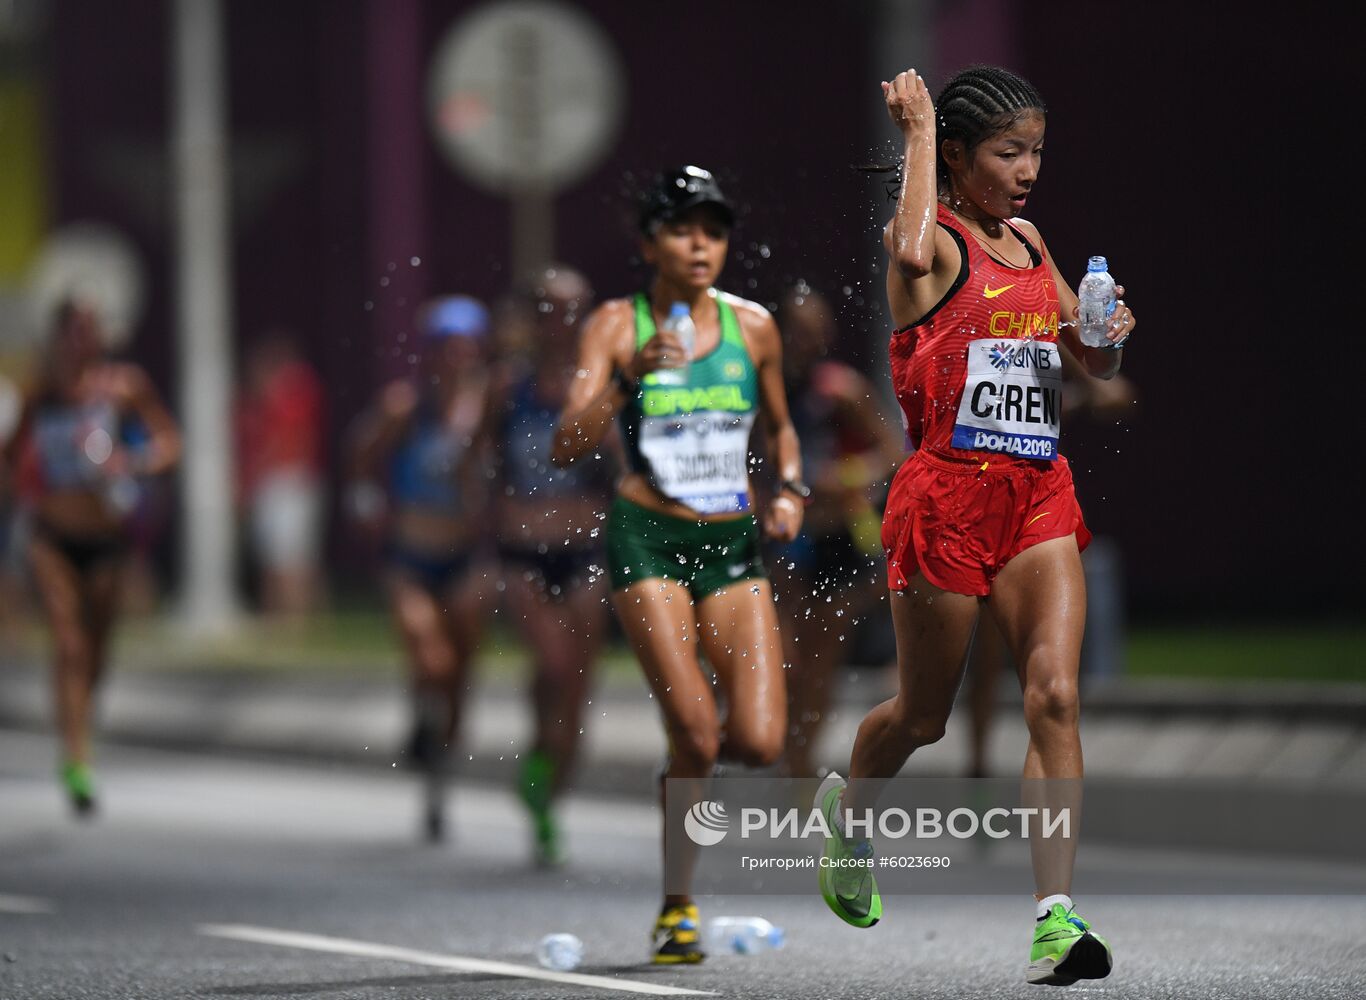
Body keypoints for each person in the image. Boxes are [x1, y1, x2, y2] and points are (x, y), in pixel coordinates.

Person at [815, 67, 1136, 987]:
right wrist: (915, 134)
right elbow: (911, 259)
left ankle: (1055, 922)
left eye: (1036, 150)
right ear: (955, 155)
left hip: (1036, 494)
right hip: (945, 498)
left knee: (1055, 697)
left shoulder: (1029, 240)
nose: (1029, 169)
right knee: (924, 715)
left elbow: (1088, 350)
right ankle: (851, 818)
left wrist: (1108, 333)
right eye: (1008, 152)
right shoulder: (928, 241)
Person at [551, 165, 803, 965]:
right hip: (647, 538)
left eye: (715, 230)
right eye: (683, 229)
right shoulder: (615, 328)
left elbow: (782, 429)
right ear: (648, 242)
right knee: (695, 733)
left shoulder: (754, 326)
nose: (702, 245)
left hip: (731, 543)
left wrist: (789, 488)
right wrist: (632, 379)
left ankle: (682, 778)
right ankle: (676, 904)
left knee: (760, 744)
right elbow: (565, 443)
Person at [1, 298, 181, 815]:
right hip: (52, 535)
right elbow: (11, 456)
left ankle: (82, 710)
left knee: (96, 648)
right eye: (72, 330)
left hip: (107, 537)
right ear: (57, 337)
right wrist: (22, 487)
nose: (81, 340)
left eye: (89, 330)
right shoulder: (43, 395)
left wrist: (136, 460)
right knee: (68, 641)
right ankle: (75, 756)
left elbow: (170, 440)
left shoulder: (124, 387)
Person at [347, 295, 497, 842]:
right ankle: (421, 716)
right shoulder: (405, 407)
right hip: (412, 553)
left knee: (460, 668)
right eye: (445, 351)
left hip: (467, 555)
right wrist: (366, 500)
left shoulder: (488, 407)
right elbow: (363, 453)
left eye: (465, 350)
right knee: (429, 654)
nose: (456, 361)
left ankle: (442, 770)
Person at [493, 264, 614, 865]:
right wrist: (489, 520)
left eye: (571, 307)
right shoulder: (507, 386)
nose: (558, 320)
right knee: (552, 661)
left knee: (576, 688)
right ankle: (541, 752)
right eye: (546, 307)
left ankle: (551, 781)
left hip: (585, 549)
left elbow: (625, 466)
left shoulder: (597, 382)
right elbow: (478, 464)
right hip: (522, 553)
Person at [770, 283, 903, 778]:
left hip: (837, 540)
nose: (807, 343)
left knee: (819, 664)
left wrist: (844, 478)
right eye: (796, 334)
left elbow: (893, 454)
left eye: (814, 333)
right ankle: (786, 747)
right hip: (786, 540)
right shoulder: (764, 393)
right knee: (786, 659)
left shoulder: (840, 389)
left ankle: (800, 765)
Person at [235, 333, 327, 619]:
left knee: (292, 560)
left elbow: (291, 441)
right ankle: (277, 617)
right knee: (273, 560)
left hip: (290, 481)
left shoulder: (296, 393)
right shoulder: (256, 402)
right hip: (271, 484)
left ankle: (297, 619)